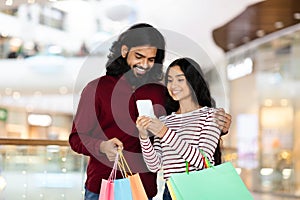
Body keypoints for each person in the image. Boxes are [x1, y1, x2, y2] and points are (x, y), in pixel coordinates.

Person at [69, 23, 231, 200]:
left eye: (151, 59)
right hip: (102, 187)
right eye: (139, 56)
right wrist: (102, 146)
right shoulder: (96, 89)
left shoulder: (159, 91)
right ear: (124, 51)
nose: (145, 64)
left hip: (143, 189)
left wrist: (220, 123)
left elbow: (185, 118)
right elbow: (76, 138)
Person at [136, 57, 225, 200]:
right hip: (170, 192)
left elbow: (203, 162)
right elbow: (154, 166)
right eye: (169, 80)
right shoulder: (165, 121)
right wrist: (144, 136)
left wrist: (165, 133)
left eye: (180, 79)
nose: (173, 85)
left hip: (199, 191)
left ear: (192, 80)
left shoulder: (211, 116)